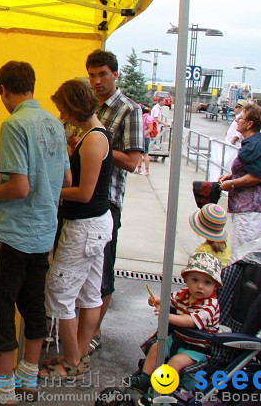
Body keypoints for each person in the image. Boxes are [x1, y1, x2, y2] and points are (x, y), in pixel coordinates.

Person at [0, 61, 69, 405]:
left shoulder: (14, 124)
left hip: (15, 232)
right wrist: (4, 180)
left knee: (1, 309)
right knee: (34, 307)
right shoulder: (54, 123)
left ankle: (1, 390)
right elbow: (64, 180)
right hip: (44, 231)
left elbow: (20, 188)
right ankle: (28, 378)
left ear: (3, 90)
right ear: (31, 86)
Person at [39, 79, 113, 381]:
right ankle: (78, 356)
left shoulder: (94, 140)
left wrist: (50, 188)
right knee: (88, 294)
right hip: (94, 225)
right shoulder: (91, 136)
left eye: (63, 111)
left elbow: (84, 192)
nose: (62, 117)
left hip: (84, 226)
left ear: (74, 107)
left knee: (59, 293)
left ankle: (70, 362)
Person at [85, 49, 144, 355]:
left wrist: (97, 144)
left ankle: (94, 332)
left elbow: (133, 161)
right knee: (80, 270)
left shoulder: (129, 110)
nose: (97, 81)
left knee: (102, 270)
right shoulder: (87, 105)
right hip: (80, 196)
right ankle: (77, 332)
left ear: (115, 74)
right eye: (92, 75)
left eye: (102, 74)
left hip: (106, 201)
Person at [129, 252, 222, 396]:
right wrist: (157, 300)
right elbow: (169, 299)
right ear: (186, 280)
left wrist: (167, 316)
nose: (200, 286)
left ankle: (159, 390)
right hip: (178, 340)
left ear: (215, 286)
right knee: (156, 348)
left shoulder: (210, 305)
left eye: (207, 282)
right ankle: (145, 378)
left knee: (175, 362)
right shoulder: (184, 294)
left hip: (197, 350)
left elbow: (191, 321)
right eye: (195, 280)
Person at [218, 103, 261, 251]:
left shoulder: (256, 145)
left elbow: (258, 176)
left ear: (250, 124)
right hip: (245, 208)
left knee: (240, 253)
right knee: (238, 250)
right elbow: (250, 170)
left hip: (250, 209)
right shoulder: (253, 143)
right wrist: (232, 176)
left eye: (240, 118)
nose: (236, 120)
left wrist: (232, 183)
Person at [136, 104, 154, 175]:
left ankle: (147, 170)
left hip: (145, 138)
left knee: (145, 154)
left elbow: (150, 128)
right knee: (139, 153)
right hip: (141, 137)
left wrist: (143, 135)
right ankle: (139, 168)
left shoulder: (148, 117)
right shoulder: (143, 116)